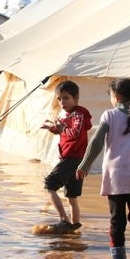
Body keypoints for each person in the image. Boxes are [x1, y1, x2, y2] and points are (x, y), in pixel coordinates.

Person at [77, 77, 130, 259]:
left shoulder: (109, 116)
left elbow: (96, 142)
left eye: (111, 95)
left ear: (117, 96)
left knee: (117, 219)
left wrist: (84, 165)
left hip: (115, 175)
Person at [40, 80, 92, 233]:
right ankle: (74, 227)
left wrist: (60, 127)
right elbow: (65, 131)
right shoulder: (69, 115)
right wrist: (54, 128)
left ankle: (64, 220)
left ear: (75, 98)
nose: (62, 102)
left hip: (72, 158)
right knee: (71, 196)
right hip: (74, 159)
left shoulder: (79, 114)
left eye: (66, 98)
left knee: (49, 185)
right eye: (59, 99)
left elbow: (74, 133)